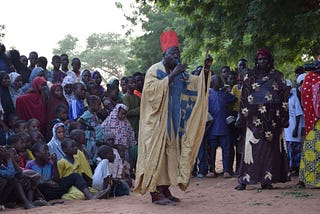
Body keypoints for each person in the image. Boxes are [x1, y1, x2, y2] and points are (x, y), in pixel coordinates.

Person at [134, 30, 210, 205]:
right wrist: (172, 75)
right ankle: (155, 191)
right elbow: (150, 93)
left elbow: (196, 85)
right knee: (157, 156)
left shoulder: (181, 73)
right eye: (172, 53)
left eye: (177, 53)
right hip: (156, 124)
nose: (176, 56)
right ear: (164, 54)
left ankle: (165, 188)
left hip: (173, 123)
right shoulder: (155, 70)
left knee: (170, 156)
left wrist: (205, 70)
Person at [235, 48, 290, 190]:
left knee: (270, 151)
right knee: (252, 149)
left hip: (273, 120)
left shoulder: (278, 76)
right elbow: (243, 97)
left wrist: (286, 117)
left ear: (270, 61)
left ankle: (267, 180)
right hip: (254, 120)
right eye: (259, 59)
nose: (262, 62)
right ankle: (244, 181)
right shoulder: (250, 76)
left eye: (265, 59)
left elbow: (284, 97)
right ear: (256, 61)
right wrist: (240, 115)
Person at [25, 143, 108, 201]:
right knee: (33, 187)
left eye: (48, 150)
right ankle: (38, 201)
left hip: (52, 190)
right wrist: (45, 183)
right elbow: (29, 183)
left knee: (75, 176)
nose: (48, 152)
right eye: (44, 150)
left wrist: (54, 164)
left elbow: (56, 180)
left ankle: (90, 196)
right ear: (36, 154)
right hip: (41, 191)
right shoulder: (30, 165)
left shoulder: (50, 163)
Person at [295, 62, 320, 189]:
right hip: (314, 120)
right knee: (310, 149)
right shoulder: (310, 77)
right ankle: (303, 180)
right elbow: (304, 98)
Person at [207, 75, 237, 178]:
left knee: (226, 149)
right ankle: (212, 170)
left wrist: (229, 109)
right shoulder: (208, 94)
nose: (219, 82)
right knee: (211, 150)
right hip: (212, 127)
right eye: (217, 80)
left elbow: (234, 99)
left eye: (219, 80)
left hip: (224, 126)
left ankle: (226, 170)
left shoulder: (224, 93)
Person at [284, 80, 304, 176]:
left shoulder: (294, 98)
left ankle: (296, 169)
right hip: (286, 130)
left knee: (296, 149)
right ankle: (289, 168)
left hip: (294, 127)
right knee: (288, 148)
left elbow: (298, 114)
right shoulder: (282, 98)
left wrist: (296, 128)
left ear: (289, 88)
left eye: (287, 87)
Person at [78, 95, 104, 164]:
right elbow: (80, 120)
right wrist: (88, 126)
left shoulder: (94, 114)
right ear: (92, 105)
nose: (99, 107)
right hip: (91, 138)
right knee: (92, 152)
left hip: (96, 137)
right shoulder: (87, 114)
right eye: (98, 105)